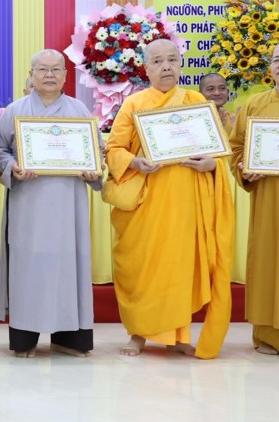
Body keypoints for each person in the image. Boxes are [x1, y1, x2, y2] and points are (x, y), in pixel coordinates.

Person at [105, 39, 233, 358]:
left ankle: (178, 336)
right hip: (147, 203)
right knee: (143, 267)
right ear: (146, 68)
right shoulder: (134, 104)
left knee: (180, 267)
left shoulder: (196, 100)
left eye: (172, 60)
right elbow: (114, 149)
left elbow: (218, 152)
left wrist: (211, 164)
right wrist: (135, 162)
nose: (166, 67)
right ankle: (138, 334)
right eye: (158, 61)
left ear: (180, 65)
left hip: (187, 202)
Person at [0, 49, 100, 358]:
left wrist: (94, 169)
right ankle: (25, 338)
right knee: (28, 266)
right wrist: (12, 166)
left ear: (66, 75)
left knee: (69, 264)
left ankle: (69, 339)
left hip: (69, 204)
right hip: (29, 204)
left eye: (56, 69)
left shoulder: (79, 109)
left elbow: (96, 151)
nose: (49, 75)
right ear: (31, 74)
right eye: (42, 69)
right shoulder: (16, 110)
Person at [229, 52, 279, 355]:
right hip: (269, 200)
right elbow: (237, 147)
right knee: (268, 258)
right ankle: (270, 334)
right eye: (277, 59)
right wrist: (244, 168)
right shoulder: (255, 104)